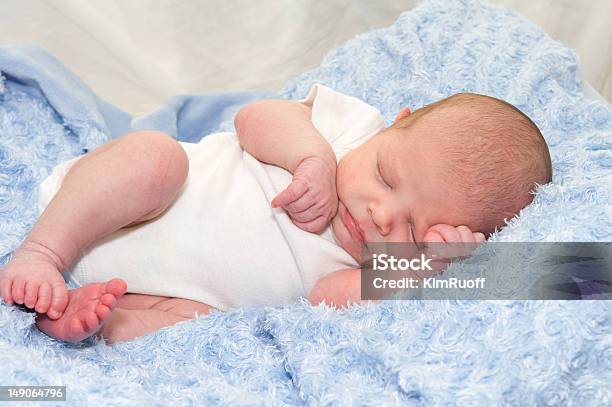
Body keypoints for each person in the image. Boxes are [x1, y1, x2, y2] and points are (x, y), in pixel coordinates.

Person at [0, 84, 552, 343]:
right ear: (392, 124)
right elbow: (254, 117)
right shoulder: (346, 129)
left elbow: (326, 299)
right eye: (385, 175)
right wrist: (307, 153)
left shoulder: (370, 267)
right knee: (154, 156)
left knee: (194, 324)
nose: (382, 215)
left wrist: (423, 271)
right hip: (118, 206)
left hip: (158, 289)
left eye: (411, 230)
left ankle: (86, 322)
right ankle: (44, 252)